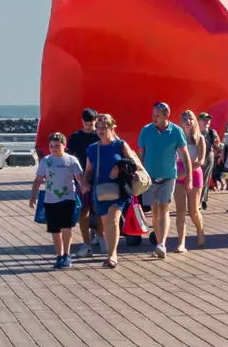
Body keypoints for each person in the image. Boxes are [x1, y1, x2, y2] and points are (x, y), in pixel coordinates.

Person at [137, 102, 190, 259]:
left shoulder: (176, 131)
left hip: (168, 176)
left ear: (167, 115)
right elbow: (140, 154)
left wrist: (189, 177)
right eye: (153, 115)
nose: (154, 118)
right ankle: (159, 241)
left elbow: (185, 154)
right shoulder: (146, 131)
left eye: (157, 116)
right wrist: (138, 174)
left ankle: (162, 244)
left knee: (164, 207)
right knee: (154, 211)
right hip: (150, 177)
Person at [84, 114, 134, 268]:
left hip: (118, 190)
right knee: (106, 224)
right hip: (100, 190)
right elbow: (88, 170)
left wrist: (118, 165)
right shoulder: (92, 149)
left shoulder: (120, 145)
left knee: (113, 220)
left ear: (112, 128)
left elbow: (133, 163)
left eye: (103, 127)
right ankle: (111, 253)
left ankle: (112, 256)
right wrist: (85, 181)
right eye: (98, 127)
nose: (100, 130)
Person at [30, 131, 84, 268]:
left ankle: (67, 254)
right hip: (50, 199)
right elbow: (38, 180)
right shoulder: (46, 161)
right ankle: (59, 255)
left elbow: (80, 178)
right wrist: (33, 197)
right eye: (52, 146)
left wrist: (85, 188)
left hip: (68, 198)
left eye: (57, 146)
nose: (54, 148)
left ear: (64, 146)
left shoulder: (71, 160)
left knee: (66, 227)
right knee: (54, 229)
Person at [175, 110, 209, 251]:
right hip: (179, 174)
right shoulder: (178, 138)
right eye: (185, 119)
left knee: (193, 211)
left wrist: (187, 172)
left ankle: (200, 231)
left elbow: (201, 161)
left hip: (194, 173)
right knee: (180, 210)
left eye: (190, 119)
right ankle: (181, 243)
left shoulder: (199, 138)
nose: (188, 121)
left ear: (194, 121)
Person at [70, 108, 101, 255]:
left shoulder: (99, 136)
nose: (89, 127)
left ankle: (100, 237)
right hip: (81, 176)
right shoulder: (75, 137)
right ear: (82, 122)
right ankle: (86, 241)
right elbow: (71, 158)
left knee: (99, 209)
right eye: (86, 124)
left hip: (99, 176)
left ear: (96, 121)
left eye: (92, 124)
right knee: (84, 210)